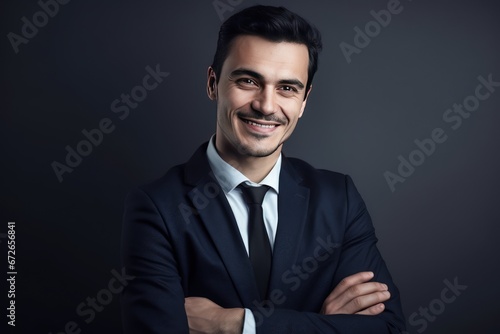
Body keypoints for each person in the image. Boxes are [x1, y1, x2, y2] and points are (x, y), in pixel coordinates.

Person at [121, 5, 406, 333]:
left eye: (287, 88)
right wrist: (324, 325)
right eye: (248, 80)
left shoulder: (338, 199)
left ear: (304, 101)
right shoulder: (155, 207)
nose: (266, 105)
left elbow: (388, 329)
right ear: (213, 83)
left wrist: (237, 324)